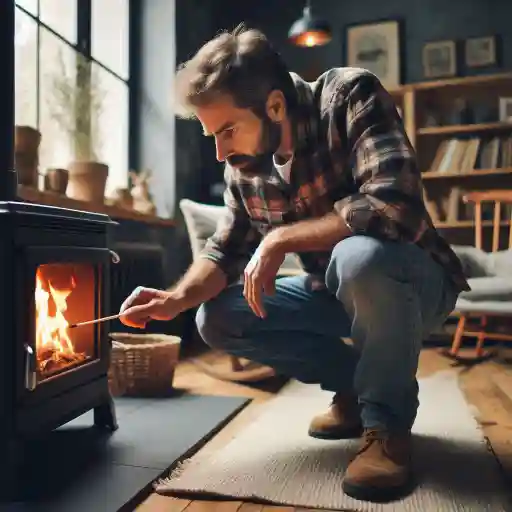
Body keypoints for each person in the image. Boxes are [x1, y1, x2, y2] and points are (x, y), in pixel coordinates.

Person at [119, 25, 469, 502]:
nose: (220, 151)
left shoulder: (350, 96)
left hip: (415, 285)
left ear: (276, 105)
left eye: (227, 131)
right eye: (210, 136)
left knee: (359, 255)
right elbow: (224, 249)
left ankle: (387, 429)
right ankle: (353, 389)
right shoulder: (243, 166)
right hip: (331, 292)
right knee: (216, 317)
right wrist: (175, 298)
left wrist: (282, 238)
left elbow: (393, 202)